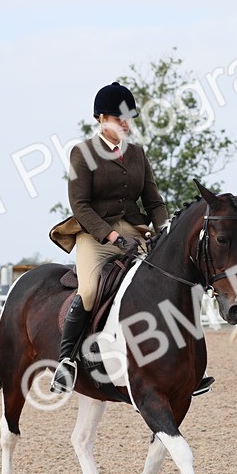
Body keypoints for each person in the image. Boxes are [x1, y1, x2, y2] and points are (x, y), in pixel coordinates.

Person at [50, 82, 168, 394]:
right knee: (88, 290)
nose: (126, 123)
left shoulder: (138, 154)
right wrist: (113, 236)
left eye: (129, 118)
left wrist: (164, 230)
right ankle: (67, 361)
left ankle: (180, 360)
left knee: (170, 276)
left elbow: (153, 202)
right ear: (102, 118)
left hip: (134, 229)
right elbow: (80, 205)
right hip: (96, 234)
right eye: (120, 118)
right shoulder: (83, 153)